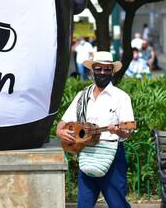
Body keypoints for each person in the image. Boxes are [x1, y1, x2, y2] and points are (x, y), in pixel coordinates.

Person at [56, 51, 135, 208]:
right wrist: (60, 131)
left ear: (112, 71)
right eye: (98, 68)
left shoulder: (121, 97)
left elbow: (128, 131)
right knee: (83, 204)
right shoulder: (82, 96)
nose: (102, 72)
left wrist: (118, 130)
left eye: (107, 69)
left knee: (117, 204)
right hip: (87, 154)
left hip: (111, 154)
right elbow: (63, 122)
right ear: (92, 70)